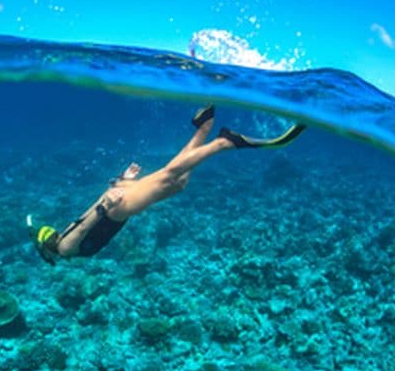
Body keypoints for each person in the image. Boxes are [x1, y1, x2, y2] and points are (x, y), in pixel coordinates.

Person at [28, 105, 305, 265]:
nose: (52, 230)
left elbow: (89, 222)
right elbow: (88, 214)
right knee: (177, 183)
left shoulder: (64, 248)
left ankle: (225, 142)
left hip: (118, 209)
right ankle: (203, 128)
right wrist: (123, 182)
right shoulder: (64, 237)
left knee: (169, 175)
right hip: (117, 203)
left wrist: (110, 200)